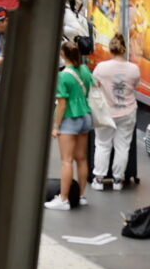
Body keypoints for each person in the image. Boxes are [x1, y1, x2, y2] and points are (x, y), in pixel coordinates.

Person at [46, 41, 94, 211]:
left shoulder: (63, 75)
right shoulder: (85, 70)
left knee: (66, 160)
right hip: (85, 116)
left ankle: (64, 199)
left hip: (69, 119)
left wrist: (56, 126)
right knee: (81, 158)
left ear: (62, 54)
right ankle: (81, 196)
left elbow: (62, 104)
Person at [91, 33, 140, 191]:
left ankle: (98, 180)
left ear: (110, 49)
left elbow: (95, 86)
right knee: (122, 146)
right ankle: (118, 180)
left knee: (102, 145)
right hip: (127, 112)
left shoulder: (101, 68)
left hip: (106, 112)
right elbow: (135, 86)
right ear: (124, 49)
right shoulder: (134, 69)